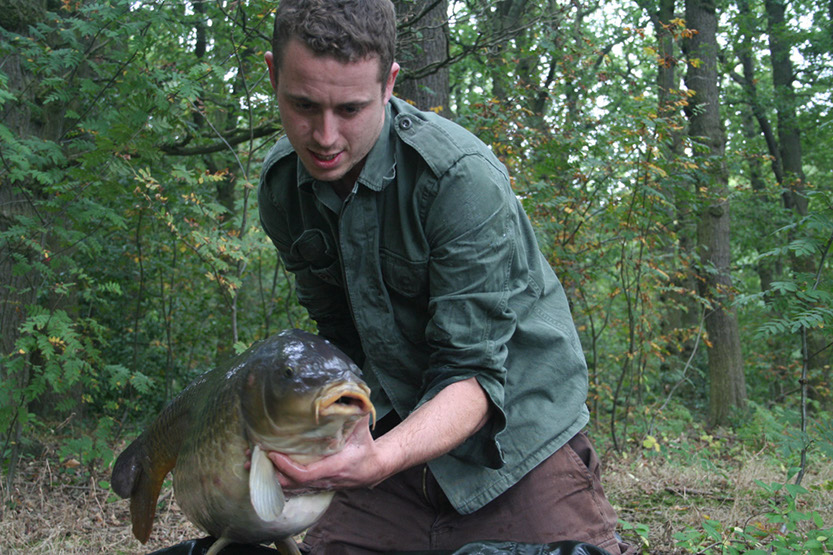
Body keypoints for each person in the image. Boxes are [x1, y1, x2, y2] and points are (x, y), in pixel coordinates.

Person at [257, 0, 632, 553]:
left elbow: (475, 375)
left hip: (516, 437)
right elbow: (340, 342)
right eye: (303, 105)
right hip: (392, 425)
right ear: (273, 75)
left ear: (389, 85)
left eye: (352, 108)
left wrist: (377, 460)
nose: (325, 136)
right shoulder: (283, 189)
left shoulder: (459, 177)